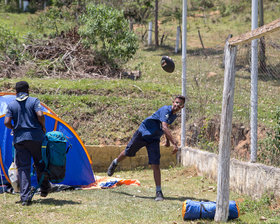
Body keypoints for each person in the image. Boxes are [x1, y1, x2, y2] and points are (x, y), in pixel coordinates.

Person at [107, 95, 185, 201]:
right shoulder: (165, 110)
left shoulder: (173, 116)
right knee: (128, 152)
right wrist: (174, 143)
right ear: (173, 102)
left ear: (182, 107)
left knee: (155, 164)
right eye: (176, 102)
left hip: (154, 139)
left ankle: (158, 192)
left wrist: (167, 141)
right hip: (142, 133)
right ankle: (115, 162)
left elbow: (165, 127)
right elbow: (164, 127)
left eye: (180, 104)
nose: (177, 105)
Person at [4, 81, 50, 206]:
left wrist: (14, 127)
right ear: (28, 90)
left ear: (16, 92)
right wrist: (43, 126)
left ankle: (25, 198)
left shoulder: (12, 104)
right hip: (36, 138)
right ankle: (44, 189)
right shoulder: (34, 101)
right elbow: (40, 115)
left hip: (19, 140)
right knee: (40, 163)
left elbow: (6, 122)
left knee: (23, 168)